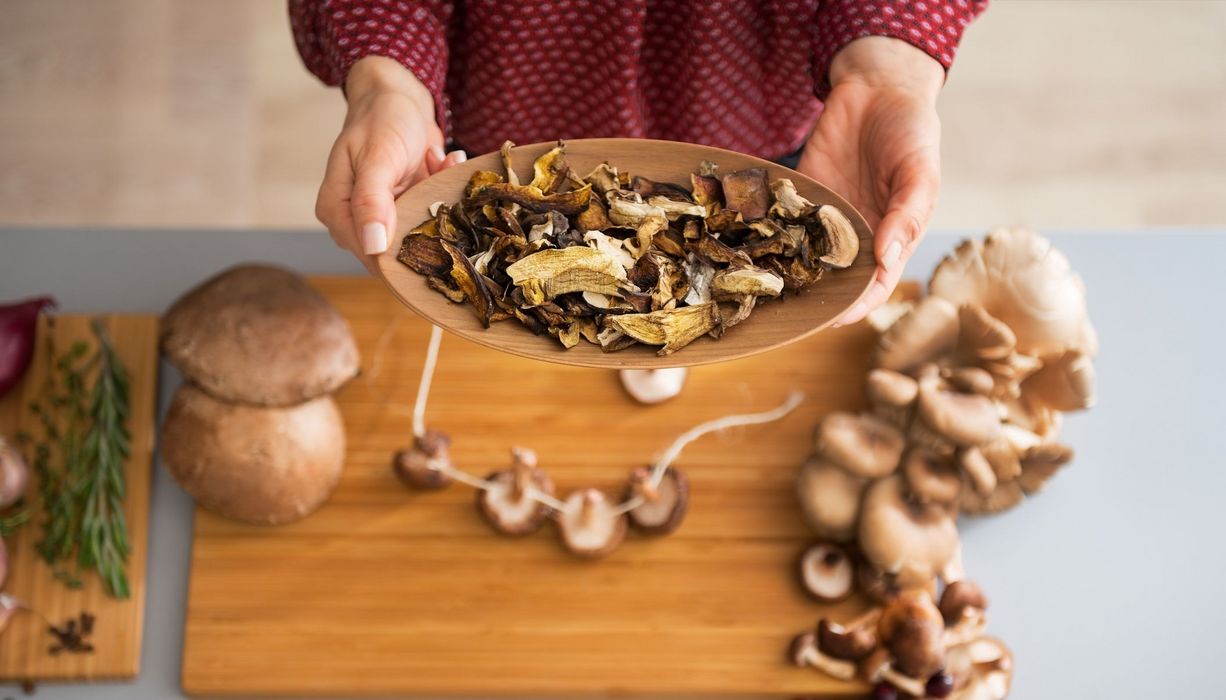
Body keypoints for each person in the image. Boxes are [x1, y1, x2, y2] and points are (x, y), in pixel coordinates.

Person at [291, 0, 986, 325]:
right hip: (511, 93)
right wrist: (392, 78)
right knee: (494, 224)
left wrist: (888, 60)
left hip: (745, 91)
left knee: (748, 233)